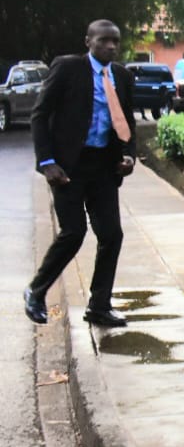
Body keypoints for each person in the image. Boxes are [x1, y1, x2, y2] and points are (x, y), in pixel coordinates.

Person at [23, 20, 137, 328]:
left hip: (103, 167)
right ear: (88, 41)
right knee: (74, 232)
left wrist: (129, 155)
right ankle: (36, 291)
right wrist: (47, 162)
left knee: (111, 235)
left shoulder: (122, 76)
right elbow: (40, 114)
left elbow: (126, 121)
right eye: (103, 41)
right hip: (68, 167)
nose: (110, 46)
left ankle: (99, 306)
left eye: (115, 41)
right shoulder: (68, 68)